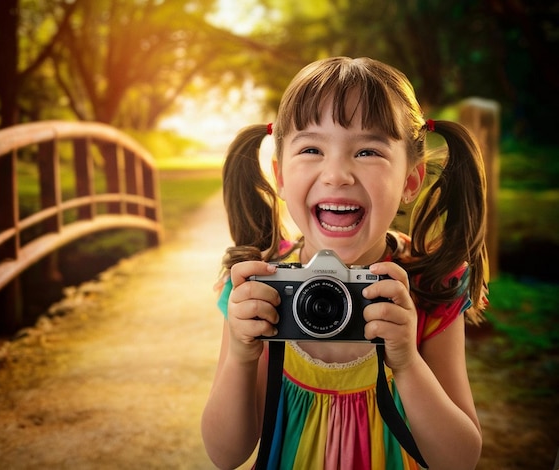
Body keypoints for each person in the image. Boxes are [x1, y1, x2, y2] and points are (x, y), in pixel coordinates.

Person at [201, 56, 488, 469]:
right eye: (312, 149)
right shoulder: (259, 287)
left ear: (410, 180)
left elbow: (459, 460)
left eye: (368, 151)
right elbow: (225, 454)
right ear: (280, 178)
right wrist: (241, 359)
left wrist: (406, 362)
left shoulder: (429, 288)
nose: (337, 174)